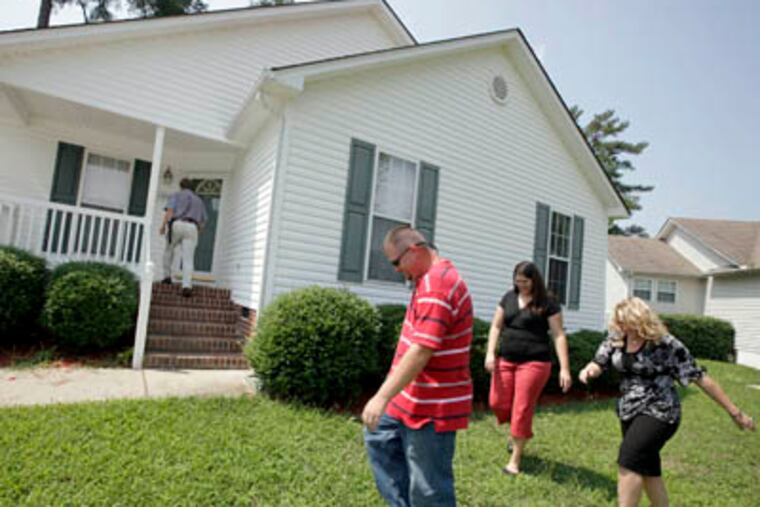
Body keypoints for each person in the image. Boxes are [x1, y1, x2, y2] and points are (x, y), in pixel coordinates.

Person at [579, 297, 755, 507]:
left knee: (629, 461)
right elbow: (600, 361)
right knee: (648, 469)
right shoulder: (617, 338)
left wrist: (735, 412)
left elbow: (699, 377)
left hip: (661, 411)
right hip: (630, 410)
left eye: (627, 322)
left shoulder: (665, 344)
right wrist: (589, 370)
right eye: (619, 322)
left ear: (641, 320)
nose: (623, 327)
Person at [362, 225, 472, 507]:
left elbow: (422, 350)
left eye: (396, 262)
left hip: (432, 406)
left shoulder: (439, 283)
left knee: (429, 491)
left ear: (414, 251)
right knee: (379, 437)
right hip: (407, 398)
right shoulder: (427, 280)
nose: (396, 270)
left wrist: (382, 396)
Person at [484, 260, 571, 476]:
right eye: (517, 281)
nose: (520, 285)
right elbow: (496, 326)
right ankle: (516, 432)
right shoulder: (508, 298)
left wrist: (564, 368)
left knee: (522, 408)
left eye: (525, 281)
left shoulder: (547, 302)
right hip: (506, 360)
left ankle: (514, 461)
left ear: (534, 280)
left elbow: (558, 335)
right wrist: (490, 352)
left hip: (535, 363)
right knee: (497, 402)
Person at [159, 178, 207, 297]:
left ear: (181, 186)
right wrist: (197, 231)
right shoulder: (199, 200)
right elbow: (203, 221)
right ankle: (186, 286)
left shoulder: (176, 195)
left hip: (177, 224)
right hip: (192, 227)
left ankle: (167, 277)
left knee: (169, 249)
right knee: (188, 258)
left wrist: (163, 226)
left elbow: (170, 212)